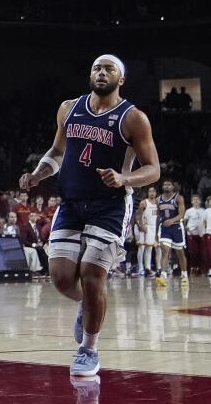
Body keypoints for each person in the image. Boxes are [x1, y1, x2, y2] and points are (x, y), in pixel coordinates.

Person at [20, 54, 160, 377]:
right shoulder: (69, 108)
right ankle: (88, 306)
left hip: (110, 205)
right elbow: (57, 152)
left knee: (93, 274)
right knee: (61, 277)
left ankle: (89, 349)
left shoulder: (133, 118)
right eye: (97, 67)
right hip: (70, 202)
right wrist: (38, 175)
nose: (101, 72)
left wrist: (125, 178)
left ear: (120, 79)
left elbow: (153, 169)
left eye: (109, 68)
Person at [155, 180, 188, 287]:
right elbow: (158, 216)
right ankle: (163, 275)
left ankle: (184, 274)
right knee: (165, 251)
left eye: (169, 184)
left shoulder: (178, 198)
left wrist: (172, 221)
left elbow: (182, 214)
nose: (166, 186)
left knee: (180, 253)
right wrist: (156, 231)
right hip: (164, 228)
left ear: (173, 186)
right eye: (165, 184)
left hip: (176, 227)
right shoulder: (158, 199)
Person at [135, 186, 158, 278]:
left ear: (156, 193)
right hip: (145, 226)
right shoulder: (144, 203)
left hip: (154, 227)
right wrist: (141, 225)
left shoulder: (158, 203)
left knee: (149, 248)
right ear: (148, 193)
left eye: (153, 191)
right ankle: (140, 268)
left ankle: (147, 268)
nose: (152, 193)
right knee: (141, 248)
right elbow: (138, 215)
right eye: (150, 191)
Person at [183, 194, 206, 276]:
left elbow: (206, 221)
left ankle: (200, 268)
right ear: (192, 202)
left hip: (201, 234)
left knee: (201, 252)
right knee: (193, 252)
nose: (196, 201)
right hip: (191, 233)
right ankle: (192, 267)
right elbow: (185, 221)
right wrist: (185, 228)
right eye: (194, 200)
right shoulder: (189, 211)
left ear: (200, 201)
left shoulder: (204, 211)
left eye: (197, 199)